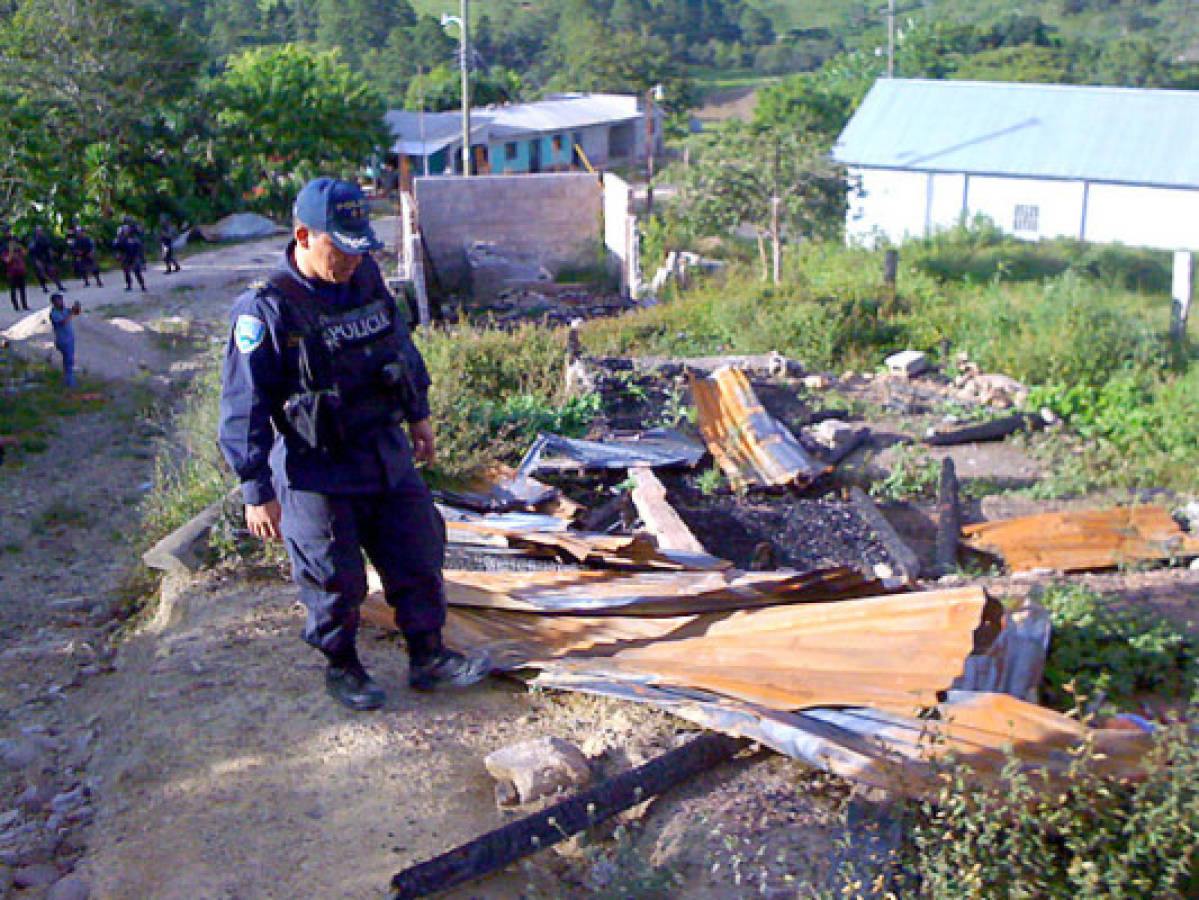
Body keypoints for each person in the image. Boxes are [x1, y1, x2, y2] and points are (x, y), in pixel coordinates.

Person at [217, 176, 490, 712]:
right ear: (303, 235)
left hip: (383, 450)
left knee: (417, 551)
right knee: (331, 573)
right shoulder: (266, 308)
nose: (349, 259)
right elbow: (244, 402)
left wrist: (420, 413)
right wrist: (255, 487)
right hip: (315, 465)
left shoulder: (365, 279)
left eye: (357, 246)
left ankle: (429, 656)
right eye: (338, 247)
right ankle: (342, 664)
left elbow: (400, 346)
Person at [48, 292, 82, 387]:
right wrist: (71, 312)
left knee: (68, 361)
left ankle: (67, 380)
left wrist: (77, 307)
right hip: (63, 341)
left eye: (62, 300)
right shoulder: (53, 313)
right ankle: (70, 382)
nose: (62, 302)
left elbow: (76, 313)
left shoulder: (64, 310)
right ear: (54, 302)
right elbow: (63, 322)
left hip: (69, 340)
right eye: (59, 301)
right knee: (69, 361)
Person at [28, 226, 66, 293]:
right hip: (38, 258)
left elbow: (49, 247)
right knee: (41, 273)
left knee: (52, 272)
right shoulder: (33, 239)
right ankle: (44, 288)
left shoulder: (45, 238)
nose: (39, 232)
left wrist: (51, 254)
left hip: (47, 258)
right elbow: (31, 250)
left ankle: (59, 286)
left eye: (40, 230)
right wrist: (36, 260)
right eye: (38, 231)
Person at [113, 222, 147, 291]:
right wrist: (117, 255)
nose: (126, 232)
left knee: (137, 271)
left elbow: (139, 247)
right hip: (125, 257)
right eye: (125, 231)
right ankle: (129, 285)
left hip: (134, 256)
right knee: (126, 272)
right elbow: (116, 249)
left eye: (127, 231)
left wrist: (140, 257)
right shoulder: (118, 240)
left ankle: (142, 285)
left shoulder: (132, 238)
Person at [3, 237, 30, 312]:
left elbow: (25, 254)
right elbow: (7, 260)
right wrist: (11, 251)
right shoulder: (5, 252)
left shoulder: (19, 250)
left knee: (23, 290)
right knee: (13, 291)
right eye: (12, 243)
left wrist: (21, 247)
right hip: (12, 274)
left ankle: (25, 305)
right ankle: (16, 306)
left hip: (21, 272)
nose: (13, 244)